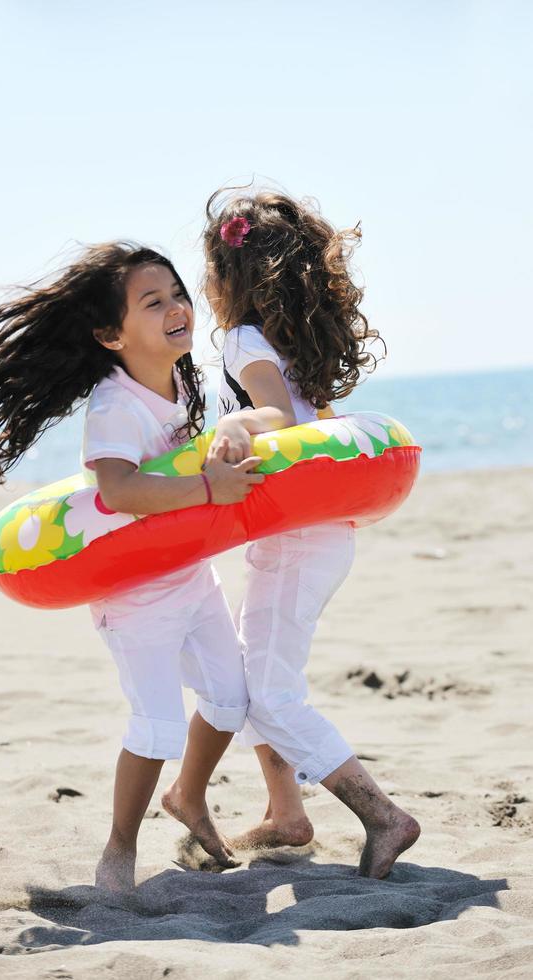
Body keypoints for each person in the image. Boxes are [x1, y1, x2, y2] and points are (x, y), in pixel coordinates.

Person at [0, 242, 265, 894]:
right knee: (158, 727)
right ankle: (119, 846)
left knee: (230, 699)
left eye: (176, 293)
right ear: (112, 335)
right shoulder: (113, 405)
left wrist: (232, 437)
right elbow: (117, 490)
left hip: (190, 576)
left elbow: (194, 451)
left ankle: (188, 799)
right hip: (136, 594)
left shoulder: (184, 378)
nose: (176, 308)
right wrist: (208, 491)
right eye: (153, 301)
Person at [173, 190, 421, 878]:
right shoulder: (290, 339)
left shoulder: (243, 338)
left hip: (298, 541)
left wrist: (232, 424)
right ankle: (284, 811)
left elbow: (277, 418)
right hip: (308, 536)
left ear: (230, 277)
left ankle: (382, 816)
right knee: (254, 677)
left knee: (271, 693)